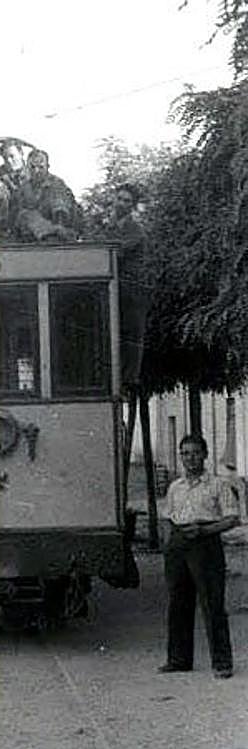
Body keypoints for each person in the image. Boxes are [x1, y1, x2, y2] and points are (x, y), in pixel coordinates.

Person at [159, 434, 239, 678]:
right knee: (178, 602)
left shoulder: (218, 484)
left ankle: (222, 662)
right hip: (178, 543)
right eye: (185, 453)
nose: (190, 458)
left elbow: (232, 518)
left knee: (212, 603)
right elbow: (168, 517)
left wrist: (204, 530)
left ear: (205, 454)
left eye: (195, 453)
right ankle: (179, 659)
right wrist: (168, 543)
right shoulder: (175, 487)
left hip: (205, 543)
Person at [107, 182, 149, 394]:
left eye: (127, 201)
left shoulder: (135, 229)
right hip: (116, 287)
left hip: (132, 289)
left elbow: (117, 252)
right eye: (119, 199)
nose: (121, 203)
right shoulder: (111, 226)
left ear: (132, 206)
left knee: (131, 334)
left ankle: (128, 379)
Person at [12, 149, 82, 242]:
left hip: (60, 236)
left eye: (41, 167)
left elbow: (62, 212)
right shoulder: (24, 188)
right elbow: (16, 214)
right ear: (27, 168)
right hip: (30, 238)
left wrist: (57, 230)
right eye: (32, 167)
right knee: (25, 215)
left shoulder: (57, 184)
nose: (36, 171)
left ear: (47, 167)